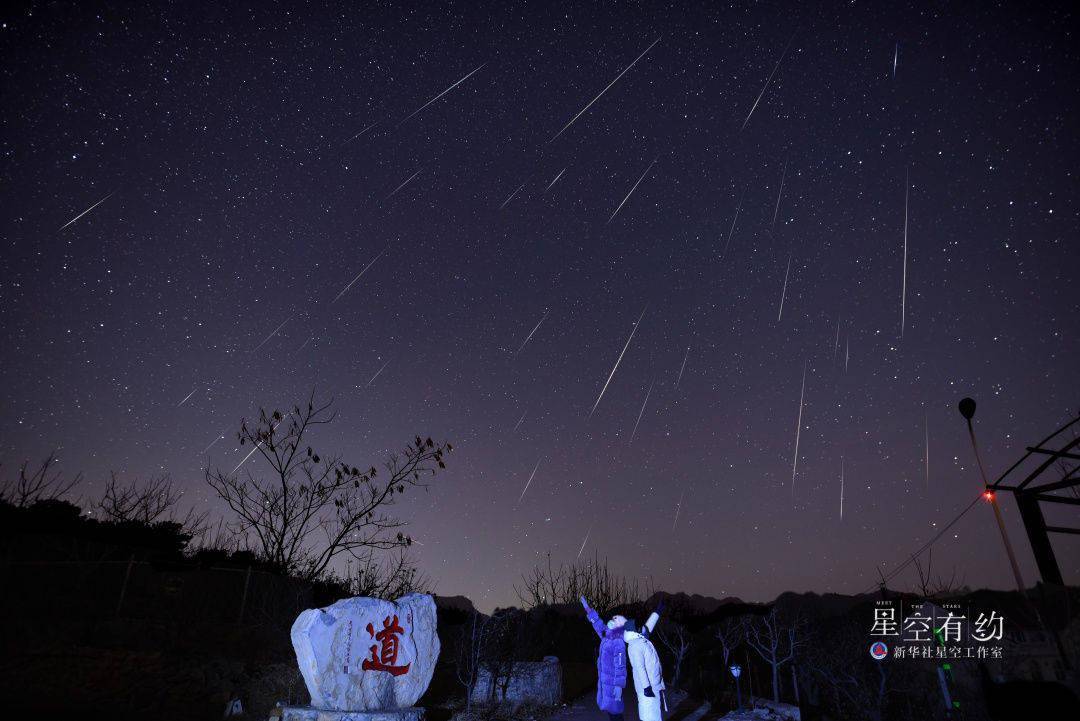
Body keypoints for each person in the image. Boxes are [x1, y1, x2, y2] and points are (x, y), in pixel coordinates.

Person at [580, 596, 628, 721]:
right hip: (606, 682)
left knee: (615, 713)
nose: (612, 619)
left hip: (612, 684)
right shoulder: (607, 635)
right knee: (611, 712)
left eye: (615, 619)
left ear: (619, 625)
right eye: (613, 618)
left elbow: (621, 665)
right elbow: (597, 623)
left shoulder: (618, 641)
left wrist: (618, 686)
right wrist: (588, 609)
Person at [625, 603, 666, 721]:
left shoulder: (641, 638)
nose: (644, 626)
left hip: (653, 685)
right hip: (648, 688)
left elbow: (648, 626)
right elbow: (639, 668)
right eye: (641, 626)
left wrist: (657, 612)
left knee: (654, 715)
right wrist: (646, 688)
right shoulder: (635, 645)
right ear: (636, 630)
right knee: (649, 716)